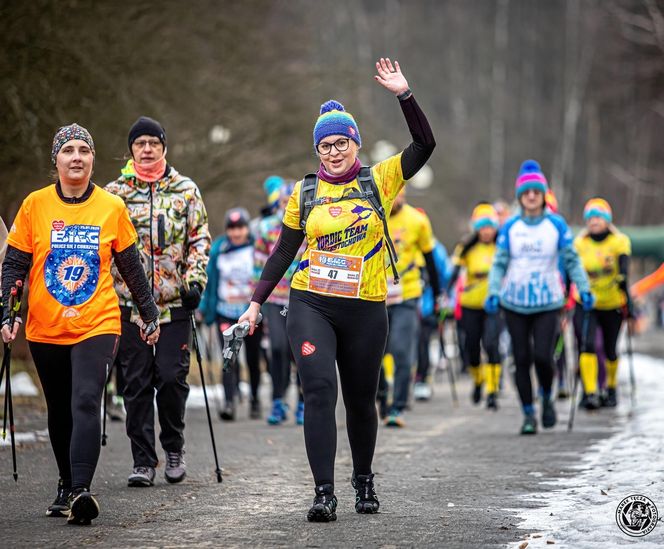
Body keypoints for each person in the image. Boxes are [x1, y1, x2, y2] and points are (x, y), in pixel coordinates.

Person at [240, 58, 435, 522]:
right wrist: (253, 306)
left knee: (361, 400)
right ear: (316, 150)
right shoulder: (304, 193)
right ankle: (323, 492)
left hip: (366, 307)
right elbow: (283, 252)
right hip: (311, 303)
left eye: (341, 143)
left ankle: (363, 478)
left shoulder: (380, 180)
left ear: (355, 144)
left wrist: (404, 95)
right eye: (324, 145)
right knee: (320, 390)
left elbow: (425, 144)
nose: (332, 152)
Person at [1, 124, 160, 524]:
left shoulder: (111, 207)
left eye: (84, 151)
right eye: (68, 150)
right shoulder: (34, 205)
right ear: (55, 160)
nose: (76, 157)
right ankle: (66, 481)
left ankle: (81, 490)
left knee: (86, 399)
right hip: (45, 324)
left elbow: (130, 267)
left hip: (98, 321)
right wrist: (8, 311)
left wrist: (148, 310)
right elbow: (16, 265)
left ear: (92, 159)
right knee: (59, 408)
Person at [106, 116, 210, 487]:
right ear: (131, 150)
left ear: (164, 146)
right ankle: (143, 460)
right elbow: (103, 248)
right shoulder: (114, 194)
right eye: (140, 143)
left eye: (153, 142)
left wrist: (195, 281)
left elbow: (199, 240)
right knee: (134, 383)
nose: (147, 149)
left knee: (170, 378)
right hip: (129, 306)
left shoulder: (186, 190)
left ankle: (174, 447)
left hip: (174, 303)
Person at [485, 160, 592, 435]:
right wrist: (494, 291)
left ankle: (546, 395)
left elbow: (571, 259)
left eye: (536, 191)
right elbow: (499, 262)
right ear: (520, 195)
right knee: (520, 358)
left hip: (548, 302)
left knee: (543, 357)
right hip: (514, 302)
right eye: (526, 191)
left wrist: (584, 288)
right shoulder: (510, 227)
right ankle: (528, 413)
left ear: (543, 194)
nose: (531, 196)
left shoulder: (556, 224)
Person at [200, 207, 264, 420]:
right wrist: (203, 308)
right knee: (229, 357)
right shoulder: (219, 249)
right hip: (224, 311)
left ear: (247, 229)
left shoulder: (256, 247)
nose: (236, 233)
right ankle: (229, 402)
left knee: (253, 358)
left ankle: (254, 398)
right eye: (232, 228)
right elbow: (209, 281)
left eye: (240, 228)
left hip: (251, 313)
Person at [383, 189, 440, 427]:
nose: (398, 200)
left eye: (401, 195)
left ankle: (397, 407)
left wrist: (437, 294)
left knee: (401, 350)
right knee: (372, 353)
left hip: (407, 294)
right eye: (393, 195)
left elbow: (429, 258)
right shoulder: (372, 215)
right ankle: (379, 396)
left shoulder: (417, 220)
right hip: (374, 295)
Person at [254, 180, 306, 425]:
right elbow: (258, 263)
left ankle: (303, 403)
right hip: (274, 299)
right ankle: (277, 401)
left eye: (291, 203)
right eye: (283, 203)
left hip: (302, 297)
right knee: (277, 348)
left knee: (302, 352)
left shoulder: (308, 225)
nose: (287, 207)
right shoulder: (267, 228)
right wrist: (257, 298)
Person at [573, 198, 632, 408]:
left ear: (607, 220)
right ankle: (589, 392)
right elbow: (572, 267)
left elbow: (624, 265)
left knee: (610, 348)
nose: (594, 222)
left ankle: (611, 388)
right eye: (590, 218)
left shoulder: (619, 241)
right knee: (587, 344)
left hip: (612, 302)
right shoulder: (580, 243)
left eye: (598, 217)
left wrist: (623, 278)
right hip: (587, 303)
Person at [447, 203, 501, 409]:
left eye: (490, 226)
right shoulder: (466, 247)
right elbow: (454, 273)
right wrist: (445, 294)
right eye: (482, 226)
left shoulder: (502, 246)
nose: (486, 231)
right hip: (470, 304)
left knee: (492, 344)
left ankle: (493, 390)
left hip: (494, 304)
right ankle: (478, 380)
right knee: (472, 347)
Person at [414, 238, 451, 401]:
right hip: (407, 301)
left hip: (428, 303)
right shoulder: (401, 241)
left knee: (424, 341)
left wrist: (441, 296)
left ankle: (422, 379)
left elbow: (445, 274)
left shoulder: (436, 247)